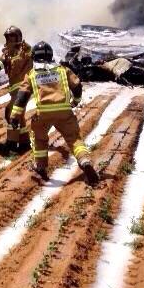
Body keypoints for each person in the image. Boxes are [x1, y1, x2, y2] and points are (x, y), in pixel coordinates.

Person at [10, 41, 98, 185]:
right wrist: (75, 101)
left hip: (43, 114)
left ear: (34, 57)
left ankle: (41, 167)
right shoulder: (63, 70)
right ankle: (85, 160)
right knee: (74, 139)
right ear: (51, 56)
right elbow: (77, 86)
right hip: (64, 112)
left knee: (39, 138)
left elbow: (22, 97)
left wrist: (14, 116)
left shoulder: (32, 74)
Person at [1, 26, 33, 153]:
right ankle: (24, 142)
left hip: (23, 89)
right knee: (19, 116)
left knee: (11, 113)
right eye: (7, 38)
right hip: (16, 90)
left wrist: (7, 57)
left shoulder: (24, 50)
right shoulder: (9, 53)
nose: (8, 41)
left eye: (11, 38)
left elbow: (18, 64)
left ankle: (11, 144)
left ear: (18, 38)